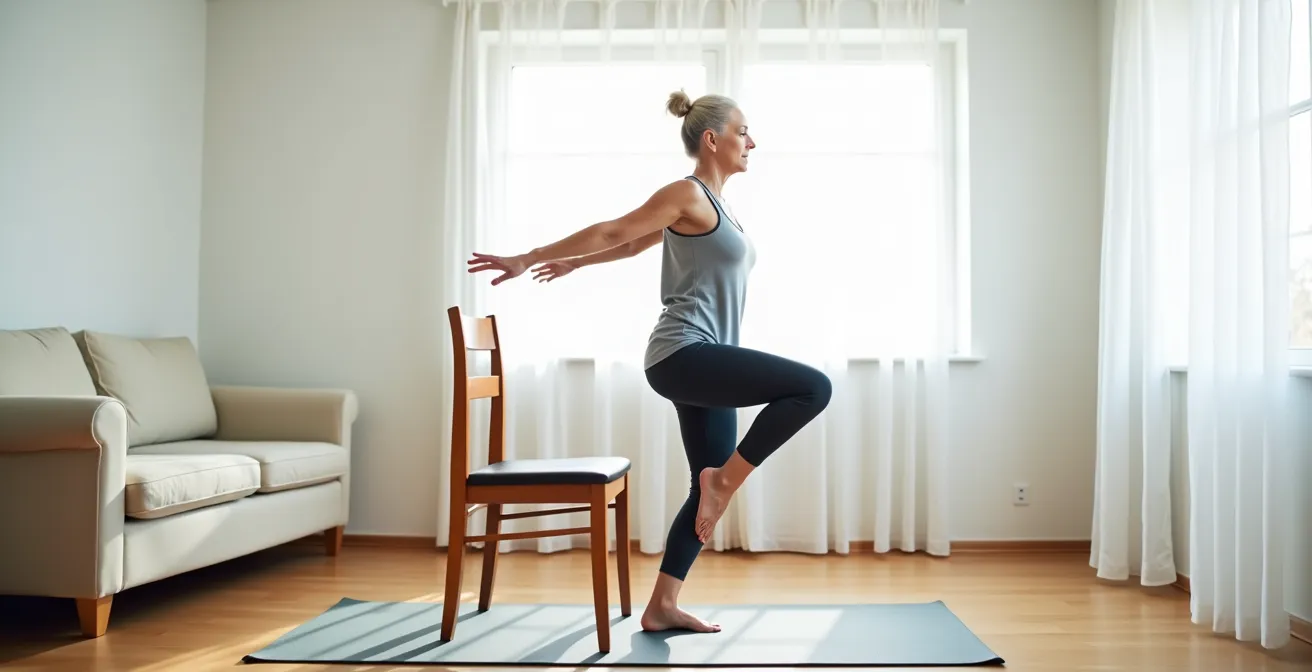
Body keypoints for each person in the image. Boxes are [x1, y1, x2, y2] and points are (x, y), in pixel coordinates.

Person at [466, 90, 832, 634]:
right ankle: (725, 483)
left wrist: (574, 263)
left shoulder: (717, 203)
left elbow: (629, 247)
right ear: (713, 139)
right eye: (743, 131)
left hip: (701, 358)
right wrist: (531, 257)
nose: (752, 142)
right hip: (684, 352)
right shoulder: (687, 192)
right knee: (813, 389)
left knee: (701, 482)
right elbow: (617, 229)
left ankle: (662, 605)